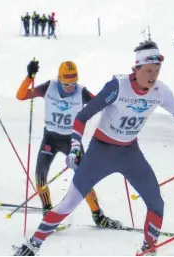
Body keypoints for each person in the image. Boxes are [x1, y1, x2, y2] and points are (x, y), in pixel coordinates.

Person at [13, 41, 174, 256]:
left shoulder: (160, 91)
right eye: (148, 70)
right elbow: (82, 117)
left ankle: (148, 250)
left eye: (156, 70)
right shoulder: (118, 87)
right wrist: (74, 147)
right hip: (101, 151)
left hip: (130, 153)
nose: (153, 75)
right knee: (69, 203)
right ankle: (32, 244)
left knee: (156, 204)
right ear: (136, 69)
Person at [16, 59, 122, 227]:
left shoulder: (81, 92)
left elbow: (101, 104)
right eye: (66, 83)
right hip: (50, 138)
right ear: (59, 79)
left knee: (84, 178)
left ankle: (98, 215)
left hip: (72, 140)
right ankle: (47, 211)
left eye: (73, 83)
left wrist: (113, 92)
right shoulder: (48, 87)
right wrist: (29, 77)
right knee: (40, 176)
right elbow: (21, 96)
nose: (70, 87)